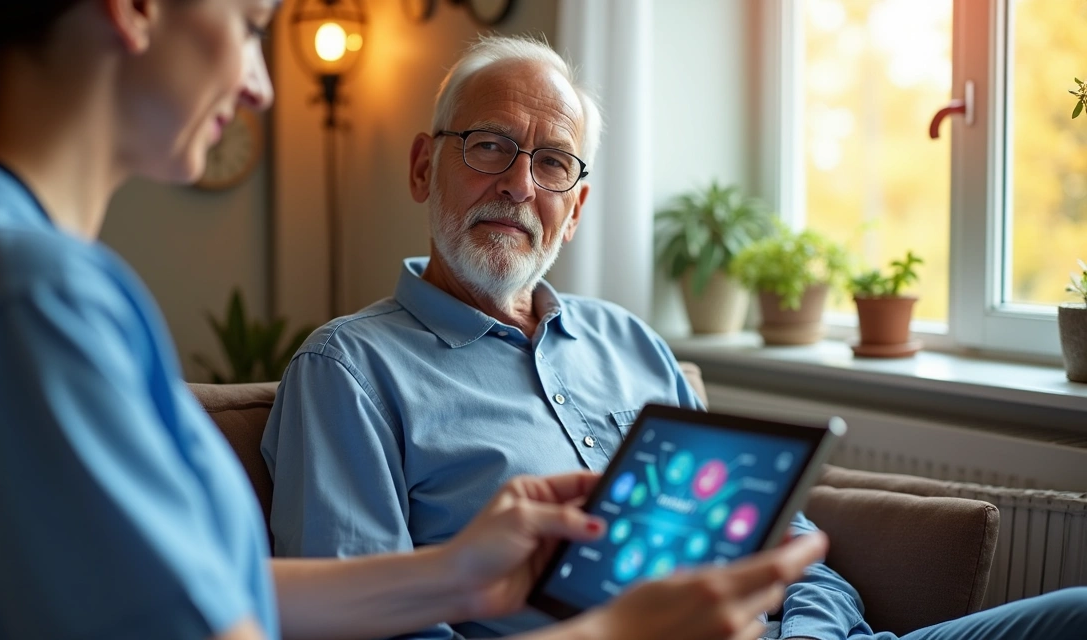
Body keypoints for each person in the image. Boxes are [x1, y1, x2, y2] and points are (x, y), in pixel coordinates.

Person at [0, 2, 836, 640]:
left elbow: (218, 591)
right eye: (252, 24)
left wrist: (455, 573)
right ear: (133, 9)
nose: (258, 82)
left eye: (551, 164)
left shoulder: (16, 267)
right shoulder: (20, 296)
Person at [261, 34, 1087, 640]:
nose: (518, 183)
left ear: (576, 210)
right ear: (421, 168)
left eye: (553, 163)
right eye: (489, 146)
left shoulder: (632, 345)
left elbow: (788, 543)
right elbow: (361, 626)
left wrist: (809, 634)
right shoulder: (349, 372)